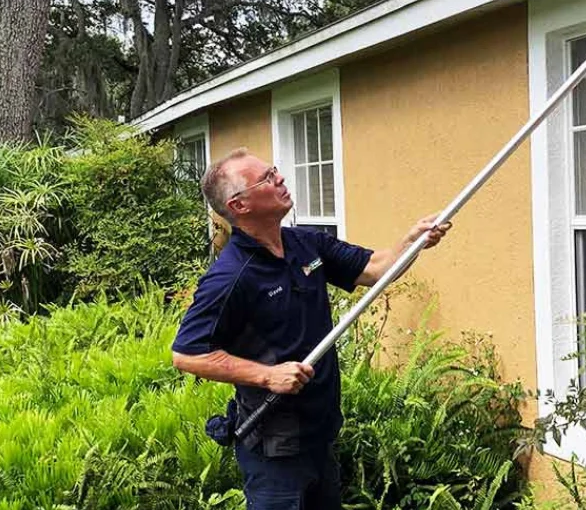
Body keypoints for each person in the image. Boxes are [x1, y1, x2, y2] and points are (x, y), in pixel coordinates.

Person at [170, 147, 451, 510]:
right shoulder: (230, 277)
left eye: (274, 171)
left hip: (320, 436)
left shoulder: (306, 243)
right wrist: (268, 375)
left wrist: (413, 241)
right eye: (267, 178)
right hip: (275, 449)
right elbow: (186, 354)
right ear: (240, 206)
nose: (280, 179)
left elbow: (376, 269)